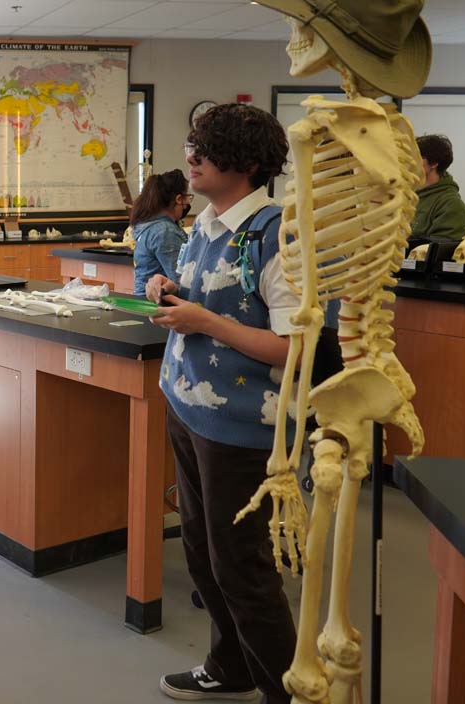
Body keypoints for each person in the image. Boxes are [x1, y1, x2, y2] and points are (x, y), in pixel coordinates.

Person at [144, 103, 298, 703]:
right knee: (204, 556)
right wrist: (174, 295)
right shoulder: (204, 226)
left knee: (242, 568)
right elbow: (217, 304)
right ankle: (230, 666)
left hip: (242, 429)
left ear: (249, 162)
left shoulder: (276, 235)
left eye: (205, 146)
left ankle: (288, 693)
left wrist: (204, 319)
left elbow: (295, 346)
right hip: (188, 408)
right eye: (192, 143)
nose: (190, 157)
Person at [130, 168, 192, 294]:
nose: (187, 204)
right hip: (158, 306)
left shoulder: (147, 226)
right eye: (187, 197)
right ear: (178, 199)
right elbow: (182, 280)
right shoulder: (165, 232)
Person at [411, 133, 465, 241]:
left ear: (433, 163)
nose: (410, 162)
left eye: (416, 156)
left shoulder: (451, 205)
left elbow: (433, 251)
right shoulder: (406, 194)